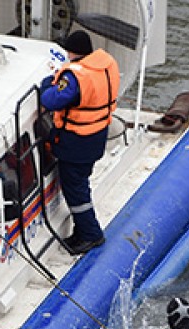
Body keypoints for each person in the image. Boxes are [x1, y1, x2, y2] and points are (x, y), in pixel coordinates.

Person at [39, 30, 120, 255]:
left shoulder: (76, 76)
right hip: (96, 136)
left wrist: (48, 83)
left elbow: (51, 99)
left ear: (71, 51)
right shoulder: (106, 64)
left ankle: (91, 235)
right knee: (80, 183)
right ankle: (81, 230)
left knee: (76, 190)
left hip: (76, 142)